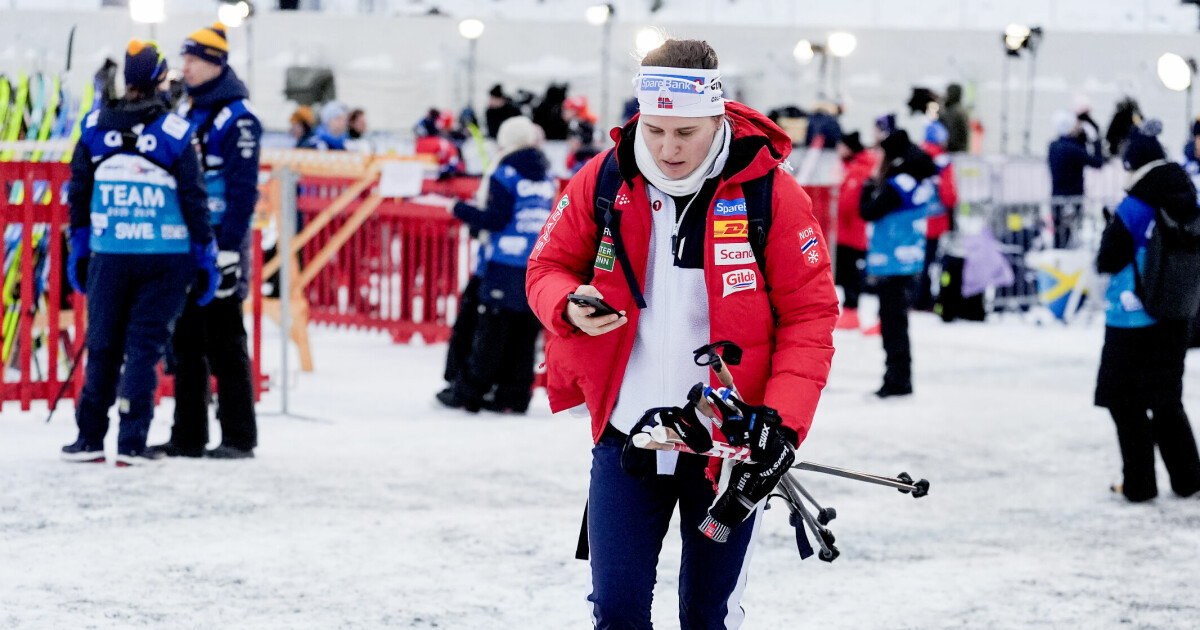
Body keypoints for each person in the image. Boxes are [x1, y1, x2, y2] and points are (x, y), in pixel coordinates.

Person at [526, 39, 838, 627]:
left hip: (728, 451)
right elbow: (546, 268)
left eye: (686, 133)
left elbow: (810, 318)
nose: (668, 149)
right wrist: (569, 304)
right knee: (616, 613)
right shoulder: (606, 177)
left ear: (718, 116)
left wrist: (783, 420)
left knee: (705, 616)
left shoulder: (771, 193)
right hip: (627, 438)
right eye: (656, 130)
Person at [61, 40, 218, 466]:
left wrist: (79, 247)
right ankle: (132, 442)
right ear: (160, 80)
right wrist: (205, 254)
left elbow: (78, 191)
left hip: (108, 252)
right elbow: (193, 198)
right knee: (143, 349)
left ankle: (89, 437)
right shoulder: (175, 132)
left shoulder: (94, 126)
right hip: (165, 256)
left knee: (103, 345)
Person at [146, 22, 262, 460]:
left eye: (194, 60)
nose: (186, 68)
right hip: (190, 243)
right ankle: (188, 434)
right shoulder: (188, 109)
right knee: (186, 343)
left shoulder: (238, 117)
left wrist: (230, 249)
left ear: (216, 64)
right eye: (185, 59)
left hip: (219, 244)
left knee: (226, 340)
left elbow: (242, 190)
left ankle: (237, 436)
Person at [1094, 120, 1200, 502]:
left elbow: (1107, 257)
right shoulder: (1188, 193)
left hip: (1132, 316)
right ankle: (1189, 478)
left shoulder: (1137, 203)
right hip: (1177, 311)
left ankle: (1139, 483)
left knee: (1124, 400)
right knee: (1166, 397)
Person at [437, 116, 553, 414]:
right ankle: (513, 395)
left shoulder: (505, 173)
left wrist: (459, 209)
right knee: (524, 333)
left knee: (491, 331)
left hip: (502, 262)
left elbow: (497, 219)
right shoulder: (544, 176)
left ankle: (470, 392)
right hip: (534, 263)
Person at [860, 117, 938, 398]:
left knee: (893, 325)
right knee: (896, 324)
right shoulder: (916, 180)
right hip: (906, 259)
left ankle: (897, 380)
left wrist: (869, 184)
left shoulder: (897, 185)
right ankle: (898, 377)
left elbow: (867, 210)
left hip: (891, 261)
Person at [834, 130, 876, 330]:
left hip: (853, 232)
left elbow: (847, 203)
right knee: (848, 273)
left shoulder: (859, 169)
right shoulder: (852, 166)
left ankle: (852, 311)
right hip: (848, 231)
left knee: (851, 274)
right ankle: (850, 310)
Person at [915, 120, 959, 311]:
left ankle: (913, 296)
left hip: (913, 219)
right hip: (935, 220)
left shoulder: (914, 155)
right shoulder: (942, 161)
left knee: (915, 260)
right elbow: (949, 196)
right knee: (931, 263)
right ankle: (924, 299)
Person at [1048, 109, 1104, 248]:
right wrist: (1096, 140)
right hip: (1071, 199)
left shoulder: (1054, 146)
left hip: (1058, 197)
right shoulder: (1073, 149)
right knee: (1068, 237)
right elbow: (1097, 162)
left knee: (1060, 235)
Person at [940, 83, 970, 153]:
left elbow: (952, 134)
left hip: (953, 150)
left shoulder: (954, 112)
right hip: (959, 149)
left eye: (947, 93)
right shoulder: (959, 110)